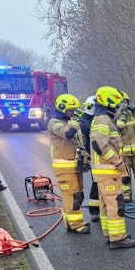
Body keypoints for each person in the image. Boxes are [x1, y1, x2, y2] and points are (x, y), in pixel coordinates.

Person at [90, 86, 135, 249]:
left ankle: (111, 233)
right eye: (115, 104)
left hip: (102, 172)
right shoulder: (103, 120)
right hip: (109, 171)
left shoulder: (103, 119)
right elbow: (99, 144)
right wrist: (117, 161)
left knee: (105, 204)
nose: (117, 107)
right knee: (116, 204)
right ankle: (117, 238)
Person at [48, 94, 89, 234]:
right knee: (72, 195)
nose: (72, 112)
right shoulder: (54, 123)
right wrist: (76, 119)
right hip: (63, 166)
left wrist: (85, 158)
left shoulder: (70, 122)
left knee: (77, 194)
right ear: (62, 108)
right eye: (71, 110)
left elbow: (78, 141)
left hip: (74, 165)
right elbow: (68, 134)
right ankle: (77, 224)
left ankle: (69, 222)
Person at [78, 96, 101, 222]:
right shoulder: (88, 123)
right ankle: (94, 211)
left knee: (98, 182)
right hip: (94, 157)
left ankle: (97, 209)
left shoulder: (85, 120)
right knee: (97, 183)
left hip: (94, 157)